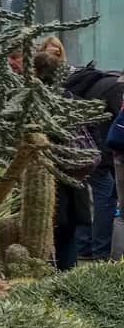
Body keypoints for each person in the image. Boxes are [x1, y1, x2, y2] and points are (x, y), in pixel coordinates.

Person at [33, 38, 97, 271]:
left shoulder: (34, 104)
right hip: (72, 180)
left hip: (47, 180)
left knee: (44, 235)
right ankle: (66, 282)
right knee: (67, 236)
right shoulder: (73, 101)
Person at [64, 60, 124, 261]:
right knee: (106, 197)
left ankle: (85, 246)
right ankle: (102, 251)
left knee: (84, 194)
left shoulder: (92, 82)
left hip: (82, 148)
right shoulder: (116, 88)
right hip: (102, 151)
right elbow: (119, 125)